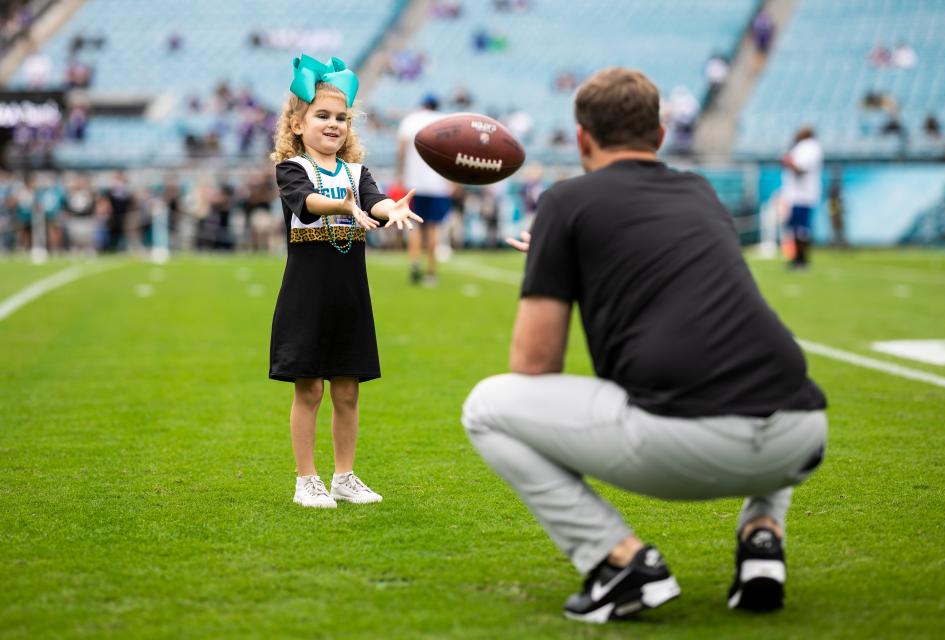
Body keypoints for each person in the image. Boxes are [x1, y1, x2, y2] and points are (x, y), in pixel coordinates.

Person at [461, 67, 827, 624]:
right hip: (800, 437)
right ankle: (762, 538)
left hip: (684, 442)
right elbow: (652, 250)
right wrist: (568, 249)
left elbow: (534, 365)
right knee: (753, 349)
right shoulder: (700, 191)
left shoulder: (566, 201)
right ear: (658, 137)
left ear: (582, 138)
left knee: (486, 407)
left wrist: (554, 257)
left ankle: (618, 560)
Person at [269, 54, 423, 509]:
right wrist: (343, 206)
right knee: (309, 388)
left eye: (341, 117)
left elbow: (373, 201)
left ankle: (344, 476)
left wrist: (388, 209)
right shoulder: (292, 169)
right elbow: (307, 203)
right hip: (306, 294)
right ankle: (306, 479)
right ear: (297, 123)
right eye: (322, 116)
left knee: (348, 390)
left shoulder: (357, 174)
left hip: (350, 295)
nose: (333, 124)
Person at [396, 93, 454, 286]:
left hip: (415, 183)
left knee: (415, 227)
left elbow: (402, 151)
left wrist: (401, 176)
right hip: (438, 184)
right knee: (434, 227)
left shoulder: (411, 120)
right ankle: (431, 271)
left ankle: (414, 264)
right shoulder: (445, 122)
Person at [782, 126, 823, 269]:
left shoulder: (811, 147)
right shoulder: (801, 147)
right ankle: (797, 258)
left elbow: (802, 168)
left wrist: (789, 163)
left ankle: (802, 259)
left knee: (801, 228)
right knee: (795, 228)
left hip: (803, 195)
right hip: (796, 195)